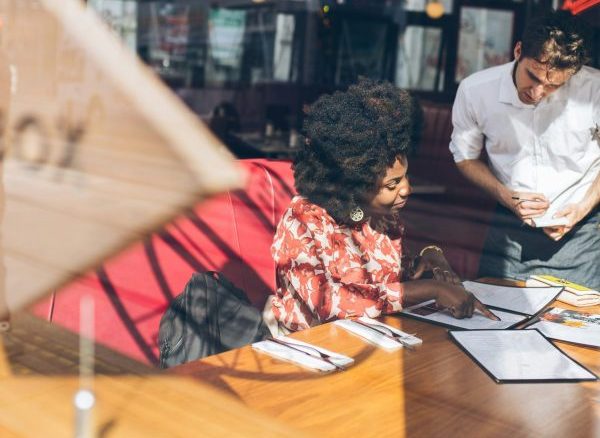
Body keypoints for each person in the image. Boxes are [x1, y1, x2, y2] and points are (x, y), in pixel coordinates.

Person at [267, 79, 497, 334]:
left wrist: (429, 257)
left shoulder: (380, 216)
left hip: (371, 341)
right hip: (307, 349)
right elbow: (327, 302)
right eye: (392, 184)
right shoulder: (303, 221)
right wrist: (431, 289)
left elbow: (392, 277)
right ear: (355, 184)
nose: (407, 188)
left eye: (406, 176)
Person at [450, 11, 600, 288]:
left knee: (577, 328)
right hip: (507, 234)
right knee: (493, 323)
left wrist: (581, 209)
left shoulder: (595, 91)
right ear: (518, 50)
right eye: (532, 76)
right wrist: (506, 196)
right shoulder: (475, 90)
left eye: (554, 85)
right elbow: (465, 157)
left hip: (581, 237)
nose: (538, 92)